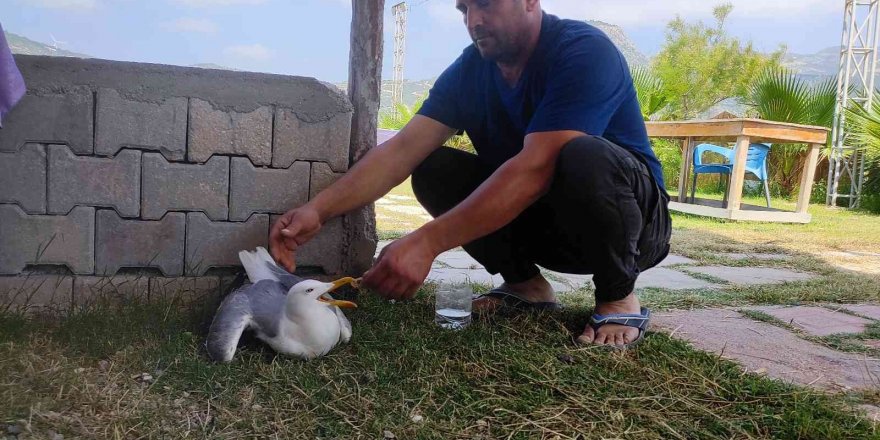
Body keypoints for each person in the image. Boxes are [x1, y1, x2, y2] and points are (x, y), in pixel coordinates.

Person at [270, 0, 671, 348]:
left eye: (486, 4)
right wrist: (318, 210)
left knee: (582, 154)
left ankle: (618, 297)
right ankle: (526, 287)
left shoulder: (583, 50)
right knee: (434, 167)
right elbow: (403, 149)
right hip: (545, 226)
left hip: (631, 227)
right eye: (464, 9)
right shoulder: (471, 70)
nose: (473, 20)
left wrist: (426, 243)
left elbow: (536, 168)